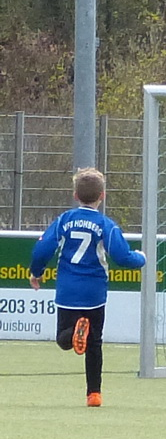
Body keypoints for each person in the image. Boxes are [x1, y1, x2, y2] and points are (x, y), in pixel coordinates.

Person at [29, 167, 147, 407]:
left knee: (63, 339)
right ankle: (94, 394)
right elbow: (122, 256)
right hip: (94, 291)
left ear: (75, 195)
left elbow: (43, 249)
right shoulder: (106, 225)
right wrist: (141, 258)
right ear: (102, 196)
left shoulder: (64, 220)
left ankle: (73, 332)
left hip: (68, 290)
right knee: (94, 343)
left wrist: (36, 272)